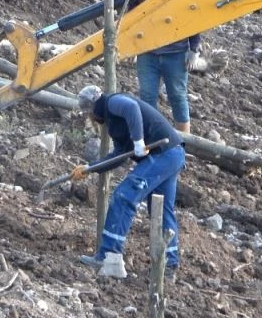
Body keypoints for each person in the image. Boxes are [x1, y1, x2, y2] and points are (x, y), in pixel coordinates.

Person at [73, 85, 185, 278]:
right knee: (161, 207)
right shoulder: (114, 125)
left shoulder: (113, 102)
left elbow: (131, 108)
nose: (91, 117)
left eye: (89, 113)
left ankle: (110, 257)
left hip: (164, 153)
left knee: (124, 196)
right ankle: (168, 265)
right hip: (173, 154)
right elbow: (119, 155)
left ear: (93, 107)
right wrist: (90, 168)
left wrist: (139, 141)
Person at [135, 0, 201, 134]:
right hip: (148, 53)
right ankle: (152, 139)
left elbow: (193, 17)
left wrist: (194, 48)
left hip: (175, 54)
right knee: (147, 97)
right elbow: (130, 16)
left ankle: (184, 142)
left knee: (178, 97)